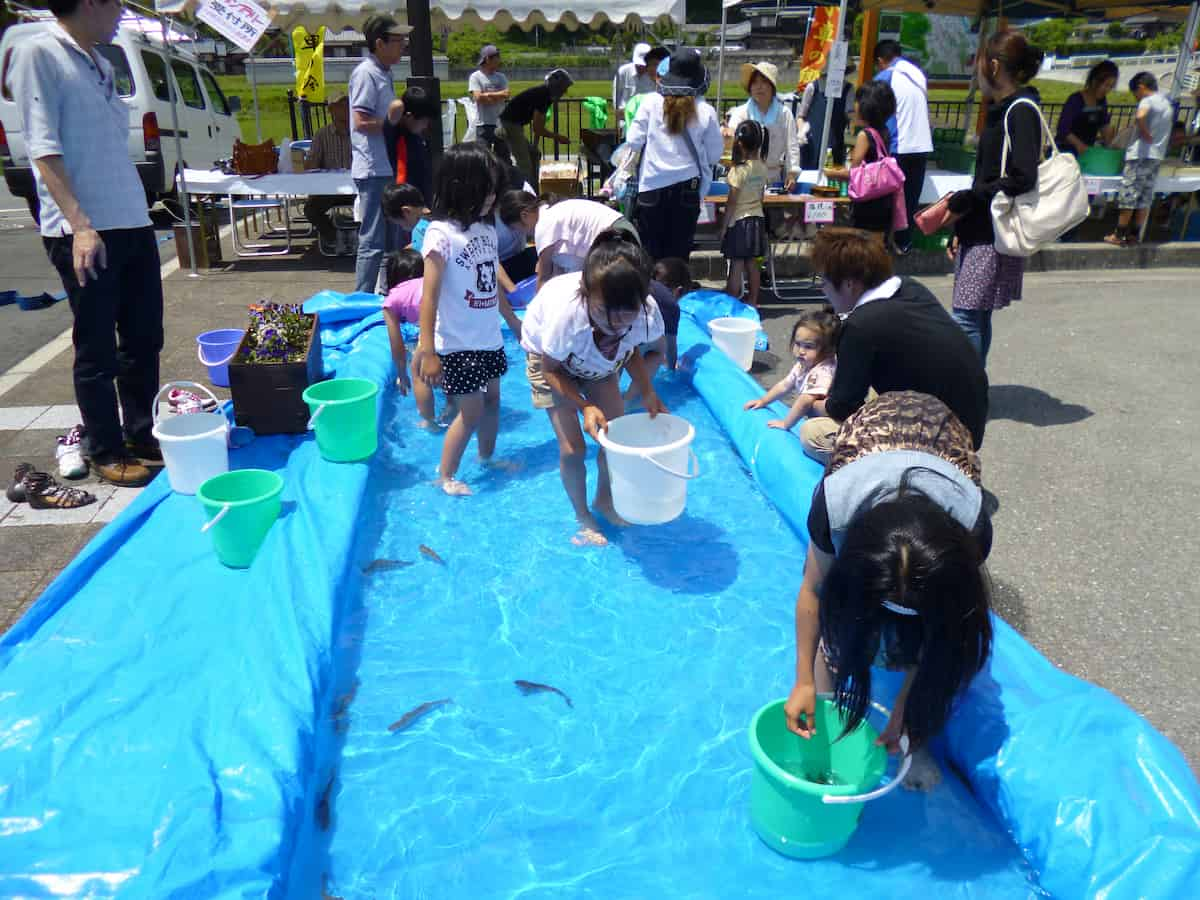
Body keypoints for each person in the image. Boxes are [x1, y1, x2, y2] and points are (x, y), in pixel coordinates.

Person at [784, 390, 995, 791]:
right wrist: (804, 683)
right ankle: (828, 725)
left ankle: (915, 727)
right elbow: (813, 590)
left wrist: (910, 707)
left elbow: (949, 631)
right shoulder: (836, 508)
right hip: (872, 434)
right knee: (843, 631)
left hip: (942, 439)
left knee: (925, 638)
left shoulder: (971, 528)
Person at [10, 0, 165, 488]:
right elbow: (42, 147)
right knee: (96, 346)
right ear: (92, 2)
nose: (122, 13)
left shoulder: (99, 59)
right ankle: (105, 447)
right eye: (117, 3)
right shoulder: (41, 53)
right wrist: (80, 225)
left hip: (132, 221)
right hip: (85, 229)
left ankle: (141, 433)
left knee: (143, 337)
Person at [520, 231, 667, 547]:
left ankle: (605, 501)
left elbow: (630, 351)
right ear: (587, 296)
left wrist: (648, 390)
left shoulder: (646, 315)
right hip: (552, 362)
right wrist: (584, 405)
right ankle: (582, 514)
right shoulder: (567, 317)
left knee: (613, 441)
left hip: (595, 362)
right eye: (603, 314)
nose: (613, 325)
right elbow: (551, 370)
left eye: (624, 317)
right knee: (573, 449)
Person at [798, 229, 988, 465]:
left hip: (940, 446)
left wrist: (808, 402)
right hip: (969, 427)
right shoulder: (909, 288)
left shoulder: (860, 325)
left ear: (848, 283)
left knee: (812, 432)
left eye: (823, 281)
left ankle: (909, 473)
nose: (822, 289)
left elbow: (842, 408)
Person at [416, 143, 510, 496]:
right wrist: (427, 348)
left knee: (493, 402)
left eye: (494, 188)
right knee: (470, 410)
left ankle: (486, 459)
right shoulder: (440, 234)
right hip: (457, 343)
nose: (493, 196)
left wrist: (514, 323)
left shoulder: (486, 232)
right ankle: (446, 475)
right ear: (463, 186)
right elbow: (430, 294)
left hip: (489, 339)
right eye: (487, 188)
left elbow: (490, 283)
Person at [946, 31, 1044, 366]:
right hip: (981, 227)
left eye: (980, 62)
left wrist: (970, 197)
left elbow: (1023, 175)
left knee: (965, 316)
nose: (977, 70)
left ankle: (966, 392)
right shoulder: (1005, 108)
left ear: (994, 65)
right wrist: (960, 224)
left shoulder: (1019, 111)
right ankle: (974, 388)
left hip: (993, 230)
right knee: (976, 315)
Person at [626, 49, 723, 262]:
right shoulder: (705, 110)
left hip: (652, 186)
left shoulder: (650, 102)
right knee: (678, 256)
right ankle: (675, 293)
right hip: (687, 189)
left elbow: (633, 141)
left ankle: (651, 294)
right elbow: (715, 155)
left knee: (650, 254)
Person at [350, 14, 411, 294]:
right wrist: (393, 123)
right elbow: (360, 122)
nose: (403, 46)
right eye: (397, 41)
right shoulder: (366, 73)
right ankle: (361, 300)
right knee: (373, 240)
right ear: (379, 43)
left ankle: (390, 295)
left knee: (393, 238)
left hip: (387, 167)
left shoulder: (384, 72)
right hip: (373, 169)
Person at [873, 40, 933, 253]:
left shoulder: (886, 76)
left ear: (881, 61)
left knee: (890, 198)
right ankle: (904, 243)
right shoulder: (918, 74)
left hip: (900, 145)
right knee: (910, 198)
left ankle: (886, 244)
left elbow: (874, 108)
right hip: (922, 145)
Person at [1104, 72, 1174, 248]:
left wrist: (1143, 130)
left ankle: (1119, 234)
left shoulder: (1147, 101)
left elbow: (1140, 115)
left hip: (1140, 155)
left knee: (1129, 195)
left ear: (1141, 87)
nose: (1136, 97)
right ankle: (1134, 235)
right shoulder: (1166, 103)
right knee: (1144, 198)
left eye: (1135, 93)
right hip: (1157, 156)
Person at [743, 307, 839, 431]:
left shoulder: (823, 371)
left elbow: (805, 400)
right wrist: (762, 401)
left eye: (809, 347)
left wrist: (786, 424)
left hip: (830, 424)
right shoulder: (804, 363)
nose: (801, 351)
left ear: (827, 350)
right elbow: (784, 385)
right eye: (798, 344)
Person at [381, 248, 440, 429]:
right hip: (461, 325)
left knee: (418, 372)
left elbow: (396, 344)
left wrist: (401, 372)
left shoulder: (393, 299)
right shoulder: (433, 280)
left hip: (437, 328)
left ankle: (429, 421)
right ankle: (453, 407)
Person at [725, 62, 802, 189]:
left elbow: (792, 145)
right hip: (746, 176)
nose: (759, 87)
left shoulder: (784, 113)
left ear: (772, 86)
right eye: (754, 83)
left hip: (773, 176)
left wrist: (792, 173)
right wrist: (728, 133)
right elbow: (732, 133)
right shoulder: (741, 112)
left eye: (764, 82)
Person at [534, 198, 638, 288]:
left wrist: (537, 306)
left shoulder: (543, 223)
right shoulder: (555, 214)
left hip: (617, 235)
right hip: (622, 229)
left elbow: (544, 277)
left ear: (524, 215)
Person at [719, 120, 769, 307]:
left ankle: (732, 303)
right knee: (753, 265)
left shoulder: (738, 170)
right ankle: (753, 300)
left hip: (739, 221)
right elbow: (761, 197)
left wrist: (723, 227)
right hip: (757, 219)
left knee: (737, 264)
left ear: (739, 143)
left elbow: (732, 202)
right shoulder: (762, 167)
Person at [500, 69, 574, 193]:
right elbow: (538, 128)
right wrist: (558, 137)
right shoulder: (543, 95)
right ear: (556, 86)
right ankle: (526, 197)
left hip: (515, 125)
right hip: (510, 125)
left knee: (535, 154)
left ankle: (534, 190)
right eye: (563, 88)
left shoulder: (546, 96)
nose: (565, 92)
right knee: (525, 165)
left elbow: (539, 124)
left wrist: (534, 146)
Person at [303, 93, 353, 254]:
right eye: (341, 106)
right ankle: (335, 236)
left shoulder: (360, 132)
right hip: (331, 190)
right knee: (311, 209)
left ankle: (361, 237)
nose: (346, 110)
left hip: (358, 187)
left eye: (348, 105)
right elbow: (311, 165)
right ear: (331, 110)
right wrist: (310, 160)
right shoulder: (321, 134)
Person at [848, 81, 899, 239]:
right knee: (876, 248)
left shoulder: (865, 135)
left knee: (863, 250)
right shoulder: (884, 131)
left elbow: (854, 170)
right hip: (884, 201)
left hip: (867, 203)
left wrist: (831, 173)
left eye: (857, 102)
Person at [383, 85, 436, 204]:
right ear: (408, 116)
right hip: (405, 199)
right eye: (423, 121)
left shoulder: (417, 137)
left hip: (422, 198)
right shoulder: (395, 133)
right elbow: (396, 106)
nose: (425, 126)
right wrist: (407, 101)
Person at [798, 64, 855, 170]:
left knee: (831, 172)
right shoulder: (813, 87)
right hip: (812, 140)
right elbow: (801, 115)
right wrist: (801, 132)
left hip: (835, 140)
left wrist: (856, 121)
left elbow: (849, 112)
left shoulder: (848, 89)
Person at [1056, 60, 1118, 156]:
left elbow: (1103, 125)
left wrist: (1110, 141)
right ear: (1094, 80)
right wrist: (1079, 145)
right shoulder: (1075, 100)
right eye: (1106, 85)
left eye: (1111, 86)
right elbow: (1063, 129)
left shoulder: (1102, 102)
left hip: (1087, 153)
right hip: (1066, 153)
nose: (1108, 90)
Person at [494, 189, 541, 287]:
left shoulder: (527, 217)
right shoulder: (497, 230)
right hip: (503, 266)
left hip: (523, 255)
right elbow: (493, 262)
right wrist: (513, 290)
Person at [621, 47, 671, 133]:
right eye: (650, 65)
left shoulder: (648, 100)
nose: (652, 69)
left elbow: (634, 139)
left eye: (656, 64)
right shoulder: (640, 100)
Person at [469, 44, 509, 149]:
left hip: (500, 123)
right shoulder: (475, 77)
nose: (499, 60)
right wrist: (498, 95)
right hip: (483, 125)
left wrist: (487, 94)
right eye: (497, 57)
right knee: (483, 158)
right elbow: (478, 98)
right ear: (487, 59)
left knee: (504, 158)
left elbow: (506, 94)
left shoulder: (501, 76)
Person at [613, 43, 655, 129]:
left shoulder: (654, 75)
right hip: (625, 121)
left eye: (644, 65)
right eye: (639, 65)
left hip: (646, 122)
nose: (641, 67)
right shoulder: (623, 72)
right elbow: (616, 98)